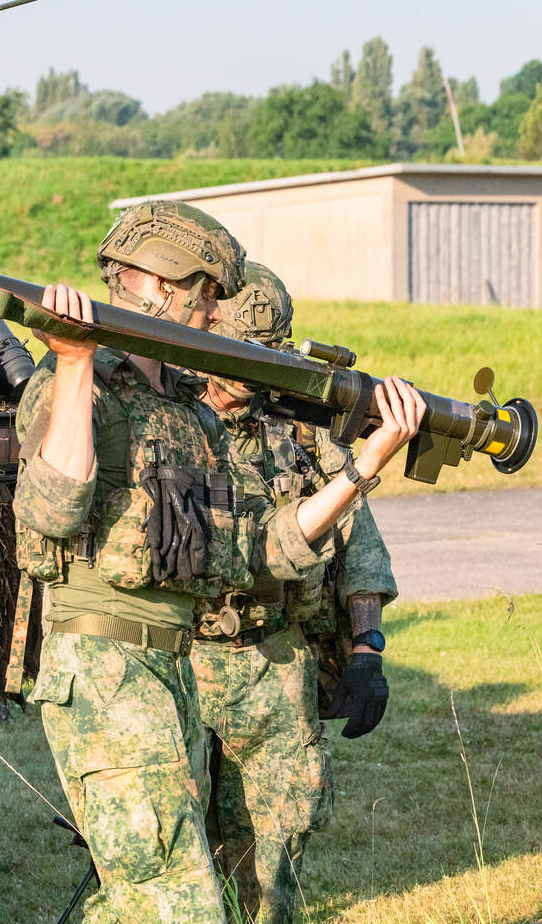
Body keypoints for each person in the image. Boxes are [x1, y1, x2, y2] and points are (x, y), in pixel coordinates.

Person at [11, 201, 424, 923]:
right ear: (164, 288)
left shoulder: (187, 411)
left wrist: (361, 469)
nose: (211, 320)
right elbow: (51, 511)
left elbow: (259, 549)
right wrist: (74, 361)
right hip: (105, 665)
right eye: (206, 300)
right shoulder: (74, 384)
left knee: (158, 897)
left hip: (171, 672)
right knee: (180, 902)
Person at [191, 260, 401, 923]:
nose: (241, 380)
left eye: (261, 359)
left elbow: (357, 543)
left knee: (282, 833)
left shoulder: (302, 431)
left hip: (277, 662)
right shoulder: (168, 423)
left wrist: (366, 648)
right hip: (183, 658)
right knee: (184, 846)